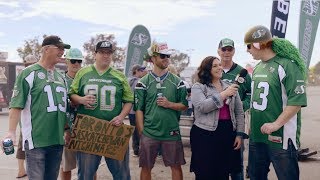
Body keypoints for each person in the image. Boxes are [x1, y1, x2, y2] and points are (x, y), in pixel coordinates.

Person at [1, 35, 71, 180]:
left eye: (63, 49)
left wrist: (66, 129)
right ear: (46, 49)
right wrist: (11, 132)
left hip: (57, 140)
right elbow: (16, 105)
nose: (62, 52)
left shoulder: (61, 77)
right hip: (36, 141)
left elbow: (62, 107)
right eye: (59, 48)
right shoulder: (28, 73)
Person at [244, 25, 307, 180]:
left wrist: (276, 124)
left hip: (281, 139)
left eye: (249, 46)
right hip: (257, 137)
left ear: (259, 44)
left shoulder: (287, 65)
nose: (247, 50)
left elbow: (296, 101)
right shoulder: (258, 67)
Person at [69, 40, 133, 180]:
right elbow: (72, 94)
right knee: (85, 175)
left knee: (122, 174)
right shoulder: (83, 73)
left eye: (109, 53)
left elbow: (129, 101)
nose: (106, 56)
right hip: (88, 130)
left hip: (113, 130)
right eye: (102, 52)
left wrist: (121, 116)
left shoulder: (119, 76)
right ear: (95, 54)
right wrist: (81, 99)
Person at [135, 41, 188, 180]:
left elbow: (184, 105)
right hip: (150, 133)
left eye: (168, 56)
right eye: (162, 56)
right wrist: (142, 132)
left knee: (176, 166)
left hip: (171, 132)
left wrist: (169, 104)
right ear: (153, 58)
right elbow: (139, 109)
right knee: (146, 166)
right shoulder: (142, 82)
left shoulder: (178, 82)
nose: (166, 59)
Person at [190, 56, 244, 180]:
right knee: (204, 173)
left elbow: (239, 112)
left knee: (223, 173)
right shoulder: (198, 87)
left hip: (227, 133)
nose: (219, 68)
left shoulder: (230, 86)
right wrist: (224, 94)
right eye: (215, 66)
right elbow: (202, 107)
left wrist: (239, 134)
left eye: (220, 65)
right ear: (207, 69)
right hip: (204, 135)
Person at [217, 38, 252, 180]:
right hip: (216, 125)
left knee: (237, 165)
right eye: (223, 49)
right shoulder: (213, 69)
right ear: (218, 51)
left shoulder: (242, 72)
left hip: (236, 124)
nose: (226, 52)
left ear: (234, 51)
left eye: (229, 49)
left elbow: (250, 97)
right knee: (218, 162)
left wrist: (238, 107)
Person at [15, 54, 38, 179]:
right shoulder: (28, 76)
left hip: (25, 116)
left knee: (23, 142)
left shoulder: (23, 75)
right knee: (27, 143)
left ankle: (21, 170)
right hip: (28, 116)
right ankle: (22, 170)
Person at [128, 64, 148, 157]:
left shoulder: (129, 81)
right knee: (140, 130)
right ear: (136, 71)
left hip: (131, 111)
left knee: (134, 131)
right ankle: (141, 150)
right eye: (141, 70)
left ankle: (136, 150)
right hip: (138, 110)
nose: (143, 72)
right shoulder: (139, 82)